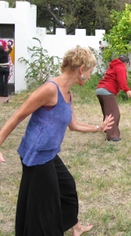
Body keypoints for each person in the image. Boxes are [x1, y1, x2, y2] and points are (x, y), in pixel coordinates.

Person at [0, 46, 115, 236]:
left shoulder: (68, 94)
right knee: (45, 207)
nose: (90, 75)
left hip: (50, 153)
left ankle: (75, 227)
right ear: (81, 68)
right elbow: (18, 116)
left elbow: (74, 125)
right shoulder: (49, 89)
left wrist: (98, 128)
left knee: (67, 187)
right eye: (90, 70)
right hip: (36, 155)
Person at [96, 55, 131, 141]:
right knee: (114, 113)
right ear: (126, 63)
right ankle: (112, 135)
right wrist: (127, 90)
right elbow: (121, 81)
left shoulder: (113, 66)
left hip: (100, 90)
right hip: (107, 90)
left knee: (107, 112)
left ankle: (106, 128)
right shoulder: (121, 67)